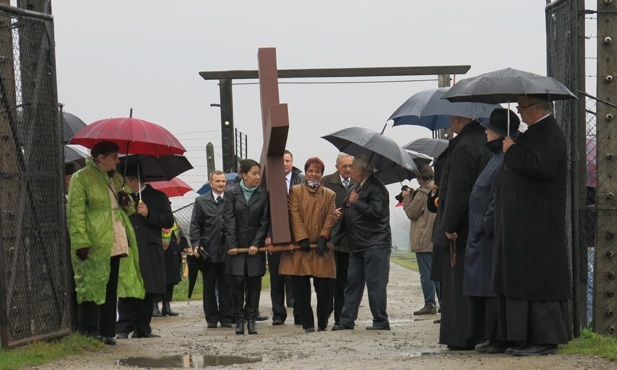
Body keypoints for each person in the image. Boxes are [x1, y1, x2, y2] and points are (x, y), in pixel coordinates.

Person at [493, 96, 571, 356]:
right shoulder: (535, 133)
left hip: (539, 224)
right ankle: (517, 336)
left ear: (538, 107)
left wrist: (512, 150)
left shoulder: (550, 133)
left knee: (538, 281)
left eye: (522, 107)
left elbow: (541, 167)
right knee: (521, 280)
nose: (519, 112)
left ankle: (544, 339)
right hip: (524, 224)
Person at [67, 141, 144, 345]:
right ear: (100, 157)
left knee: (110, 285)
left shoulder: (116, 178)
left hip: (115, 237)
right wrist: (81, 241)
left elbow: (128, 210)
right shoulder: (81, 178)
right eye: (114, 156)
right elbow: (75, 212)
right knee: (91, 283)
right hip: (94, 238)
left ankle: (107, 330)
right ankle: (89, 330)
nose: (118, 160)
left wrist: (126, 200)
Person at [432, 115, 490, 349]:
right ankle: (479, 332)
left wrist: (449, 225)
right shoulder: (484, 141)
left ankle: (461, 335)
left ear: (457, 119)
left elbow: (457, 190)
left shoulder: (464, 146)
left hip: (462, 230)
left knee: (457, 287)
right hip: (481, 223)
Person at [464, 108, 520, 354]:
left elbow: (497, 197)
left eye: (489, 128)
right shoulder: (495, 157)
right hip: (482, 234)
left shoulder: (505, 158)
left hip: (489, 234)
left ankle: (497, 337)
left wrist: (485, 225)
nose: (485, 132)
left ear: (500, 133)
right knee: (484, 287)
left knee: (491, 287)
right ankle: (489, 335)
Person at [330, 155, 392, 331]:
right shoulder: (354, 188)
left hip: (376, 244)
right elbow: (345, 217)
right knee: (352, 284)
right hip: (356, 245)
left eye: (353, 167)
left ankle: (380, 321)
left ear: (360, 170)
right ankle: (346, 320)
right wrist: (334, 240)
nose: (350, 170)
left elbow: (377, 212)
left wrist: (358, 202)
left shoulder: (378, 188)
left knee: (376, 285)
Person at [279, 157, 337, 333]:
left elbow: (330, 216)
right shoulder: (295, 191)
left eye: (317, 171)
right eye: (310, 171)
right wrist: (301, 237)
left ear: (321, 174)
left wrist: (323, 237)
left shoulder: (329, 194)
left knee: (325, 290)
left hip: (320, 249)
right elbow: (294, 214)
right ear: (305, 172)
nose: (313, 174)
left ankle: (322, 324)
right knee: (301, 291)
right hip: (300, 248)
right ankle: (308, 325)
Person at [116, 167, 174, 339]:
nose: (123, 185)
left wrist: (149, 213)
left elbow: (168, 221)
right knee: (127, 286)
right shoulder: (121, 197)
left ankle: (142, 327)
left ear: (134, 180)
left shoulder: (158, 197)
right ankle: (123, 328)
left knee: (147, 288)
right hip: (128, 248)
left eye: (125, 181)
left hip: (149, 249)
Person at [223, 159, 270, 335]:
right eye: (254, 173)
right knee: (237, 282)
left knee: (254, 283)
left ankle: (251, 319)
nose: (257, 177)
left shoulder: (263, 194)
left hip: (254, 248)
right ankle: (239, 319)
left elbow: (264, 222)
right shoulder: (231, 194)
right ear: (243, 174)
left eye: (259, 173)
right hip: (236, 247)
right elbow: (228, 220)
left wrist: (256, 244)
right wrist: (233, 245)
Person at [190, 170, 234, 328]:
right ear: (211, 183)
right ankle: (211, 318)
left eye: (223, 181)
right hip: (208, 251)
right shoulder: (201, 201)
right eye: (218, 181)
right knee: (209, 286)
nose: (221, 184)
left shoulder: (230, 200)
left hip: (227, 251)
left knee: (226, 285)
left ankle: (227, 317)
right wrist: (196, 244)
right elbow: (195, 225)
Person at [268, 149, 304, 325]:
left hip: (296, 236)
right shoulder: (268, 180)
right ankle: (278, 314)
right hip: (274, 235)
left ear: (292, 162)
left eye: (288, 161)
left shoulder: (301, 180)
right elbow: (264, 210)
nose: (284, 164)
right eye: (281, 161)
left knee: (297, 276)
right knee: (276, 278)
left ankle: (299, 313)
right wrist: (268, 235)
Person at [402, 162, 440, 316]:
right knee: (437, 274)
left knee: (426, 274)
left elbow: (412, 213)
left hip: (423, 238)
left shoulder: (422, 192)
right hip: (435, 237)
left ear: (420, 177)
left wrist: (406, 198)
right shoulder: (436, 189)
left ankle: (430, 304)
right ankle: (443, 303)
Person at [321, 153, 353, 326]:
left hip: (349, 241)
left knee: (344, 282)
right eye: (344, 166)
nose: (348, 169)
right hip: (331, 240)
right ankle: (325, 314)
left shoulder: (357, 184)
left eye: (350, 166)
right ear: (337, 167)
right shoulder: (326, 182)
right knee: (328, 281)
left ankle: (340, 318)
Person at [154, 218, 189, 317]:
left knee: (170, 280)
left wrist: (184, 245)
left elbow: (179, 232)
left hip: (172, 253)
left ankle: (166, 306)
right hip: (160, 253)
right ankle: (154, 306)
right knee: (158, 280)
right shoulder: (155, 218)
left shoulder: (172, 219)